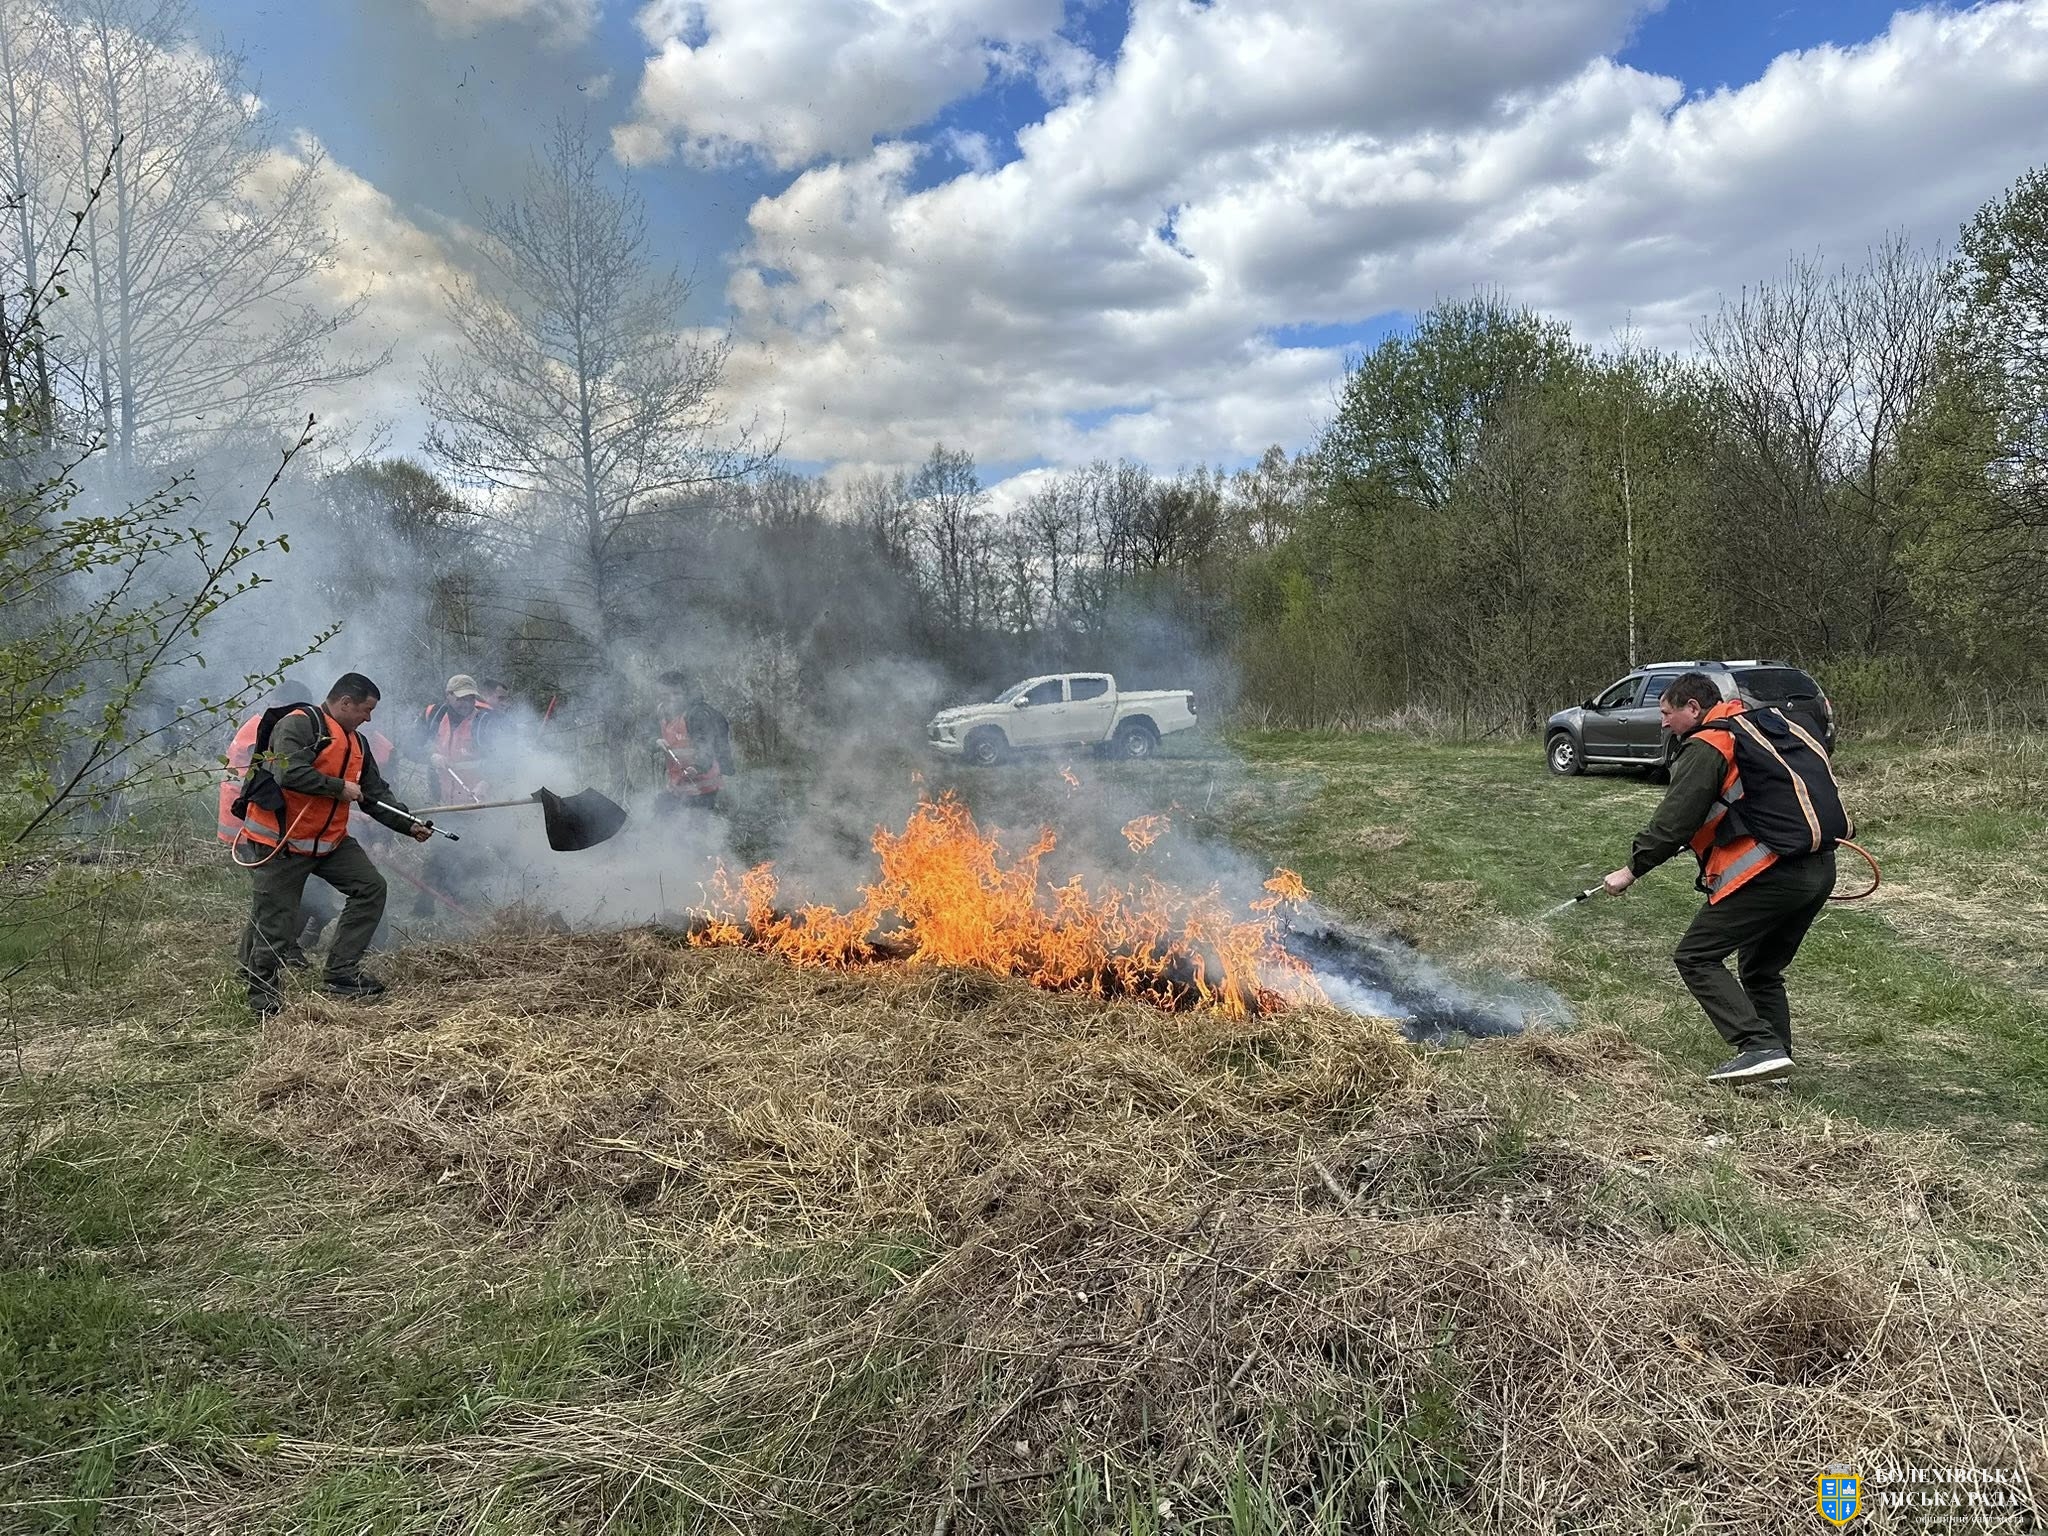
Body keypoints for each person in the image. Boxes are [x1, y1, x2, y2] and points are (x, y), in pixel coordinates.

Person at [1601, 670, 1839, 1085]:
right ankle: (1774, 1063)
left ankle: (1757, 1045)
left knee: (1696, 956)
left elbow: (1672, 822)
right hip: (1819, 868)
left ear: (1693, 708)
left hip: (1771, 873)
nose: (1664, 723)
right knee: (1761, 970)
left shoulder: (1709, 744)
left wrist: (1631, 870)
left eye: (1667, 713)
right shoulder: (1758, 729)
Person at [229, 673, 431, 1014]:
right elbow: (287, 772)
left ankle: (341, 972)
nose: (369, 718)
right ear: (345, 703)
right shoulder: (298, 725)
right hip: (282, 842)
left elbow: (375, 793)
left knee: (370, 888)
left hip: (330, 843)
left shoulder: (358, 743)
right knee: (276, 920)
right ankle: (262, 994)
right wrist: (338, 787)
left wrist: (409, 824)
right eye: (366, 710)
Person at [653, 671, 733, 815]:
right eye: (665, 695)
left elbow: (707, 747)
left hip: (704, 786)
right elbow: (648, 733)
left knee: (695, 824)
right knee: (660, 815)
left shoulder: (698, 715)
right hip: (678, 784)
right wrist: (655, 742)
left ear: (686, 693)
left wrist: (697, 767)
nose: (672, 699)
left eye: (677, 693)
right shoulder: (661, 711)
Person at [419, 672, 496, 804]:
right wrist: (431, 757)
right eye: (461, 699)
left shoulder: (484, 722)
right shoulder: (434, 715)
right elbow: (409, 747)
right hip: (441, 801)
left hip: (477, 803)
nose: (466, 704)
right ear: (448, 696)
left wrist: (486, 783)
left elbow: (505, 761)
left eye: (471, 698)